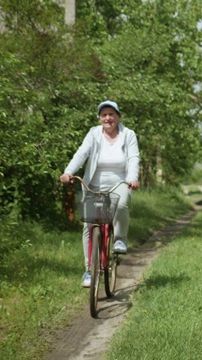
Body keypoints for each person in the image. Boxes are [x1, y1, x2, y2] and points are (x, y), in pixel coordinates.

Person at [60, 100, 140, 287]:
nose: (108, 118)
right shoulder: (94, 134)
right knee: (89, 224)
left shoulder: (128, 135)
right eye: (104, 115)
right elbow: (82, 153)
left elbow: (133, 158)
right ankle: (89, 270)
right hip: (93, 184)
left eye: (111, 114)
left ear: (118, 116)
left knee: (120, 204)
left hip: (120, 183)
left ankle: (119, 240)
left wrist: (133, 178)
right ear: (99, 118)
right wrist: (68, 172)